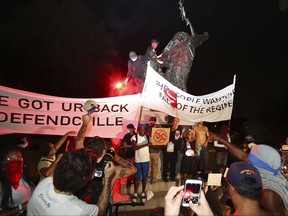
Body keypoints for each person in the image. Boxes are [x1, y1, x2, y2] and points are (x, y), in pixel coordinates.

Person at [210, 133, 288, 216]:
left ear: (260, 165)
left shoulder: (268, 193)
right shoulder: (270, 173)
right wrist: (220, 139)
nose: (247, 161)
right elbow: (243, 156)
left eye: (251, 160)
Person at [74, 115, 137, 214]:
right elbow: (133, 169)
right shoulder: (111, 171)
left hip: (80, 208)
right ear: (104, 151)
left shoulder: (81, 163)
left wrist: (85, 123)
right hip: (102, 210)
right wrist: (115, 156)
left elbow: (78, 142)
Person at [27, 149, 115, 215]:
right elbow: (101, 210)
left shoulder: (45, 183)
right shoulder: (78, 210)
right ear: (83, 180)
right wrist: (107, 179)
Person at [0, 148, 34, 215]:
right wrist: (20, 207)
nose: (15, 162)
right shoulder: (1, 184)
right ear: (3, 163)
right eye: (9, 159)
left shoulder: (25, 175)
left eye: (18, 158)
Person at [131, 124, 151, 203]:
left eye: (144, 129)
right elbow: (134, 147)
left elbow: (152, 145)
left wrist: (163, 144)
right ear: (138, 129)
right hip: (138, 161)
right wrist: (146, 144)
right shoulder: (134, 137)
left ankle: (143, 192)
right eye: (141, 129)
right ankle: (135, 193)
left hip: (146, 160)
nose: (143, 131)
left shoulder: (148, 137)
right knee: (137, 178)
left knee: (145, 177)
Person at [162, 117, 184, 182]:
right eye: (174, 120)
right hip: (167, 149)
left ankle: (172, 177)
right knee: (166, 164)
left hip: (175, 150)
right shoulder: (168, 128)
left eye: (177, 121)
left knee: (173, 164)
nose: (175, 122)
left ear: (179, 122)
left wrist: (182, 133)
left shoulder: (180, 129)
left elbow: (180, 138)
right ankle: (165, 177)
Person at [146, 116, 162, 184]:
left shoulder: (158, 128)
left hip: (155, 150)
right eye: (150, 120)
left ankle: (154, 178)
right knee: (148, 165)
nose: (151, 122)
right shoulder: (146, 128)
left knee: (155, 165)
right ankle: (148, 177)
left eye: (153, 121)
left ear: (155, 121)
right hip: (147, 150)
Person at [122, 123, 136, 193]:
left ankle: (134, 178)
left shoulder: (136, 135)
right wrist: (133, 146)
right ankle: (128, 178)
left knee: (135, 166)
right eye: (128, 128)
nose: (128, 130)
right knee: (128, 166)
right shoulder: (126, 136)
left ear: (133, 129)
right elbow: (125, 146)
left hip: (136, 153)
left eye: (129, 128)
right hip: (129, 153)